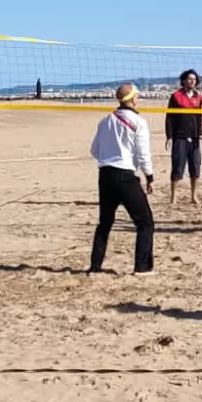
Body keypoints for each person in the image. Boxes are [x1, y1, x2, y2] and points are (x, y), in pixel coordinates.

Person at [89, 83, 156, 275]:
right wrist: (149, 176)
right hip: (125, 176)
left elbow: (94, 150)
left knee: (105, 223)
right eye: (138, 96)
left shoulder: (105, 121)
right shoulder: (139, 122)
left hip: (105, 175)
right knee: (145, 222)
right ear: (133, 99)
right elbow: (143, 154)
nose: (139, 99)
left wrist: (109, 156)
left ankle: (95, 266)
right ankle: (142, 267)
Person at [165, 69, 202, 205]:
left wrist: (201, 133)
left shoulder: (198, 97)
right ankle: (173, 198)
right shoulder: (176, 96)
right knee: (177, 167)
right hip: (179, 137)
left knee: (195, 167)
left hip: (194, 137)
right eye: (190, 79)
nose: (192, 81)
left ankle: (194, 196)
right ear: (184, 80)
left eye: (194, 79)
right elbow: (169, 117)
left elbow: (200, 117)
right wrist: (169, 136)